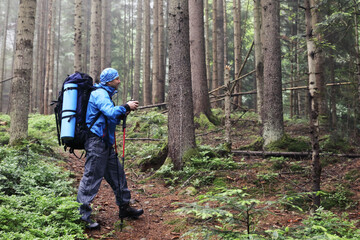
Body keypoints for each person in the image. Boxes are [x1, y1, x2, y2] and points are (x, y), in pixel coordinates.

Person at [77, 68, 144, 229]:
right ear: (109, 81)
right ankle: (82, 216)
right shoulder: (100, 94)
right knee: (91, 178)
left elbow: (109, 116)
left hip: (105, 144)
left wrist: (123, 111)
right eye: (117, 79)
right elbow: (110, 112)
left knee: (118, 176)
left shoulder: (105, 94)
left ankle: (124, 208)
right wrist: (126, 107)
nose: (119, 81)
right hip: (96, 143)